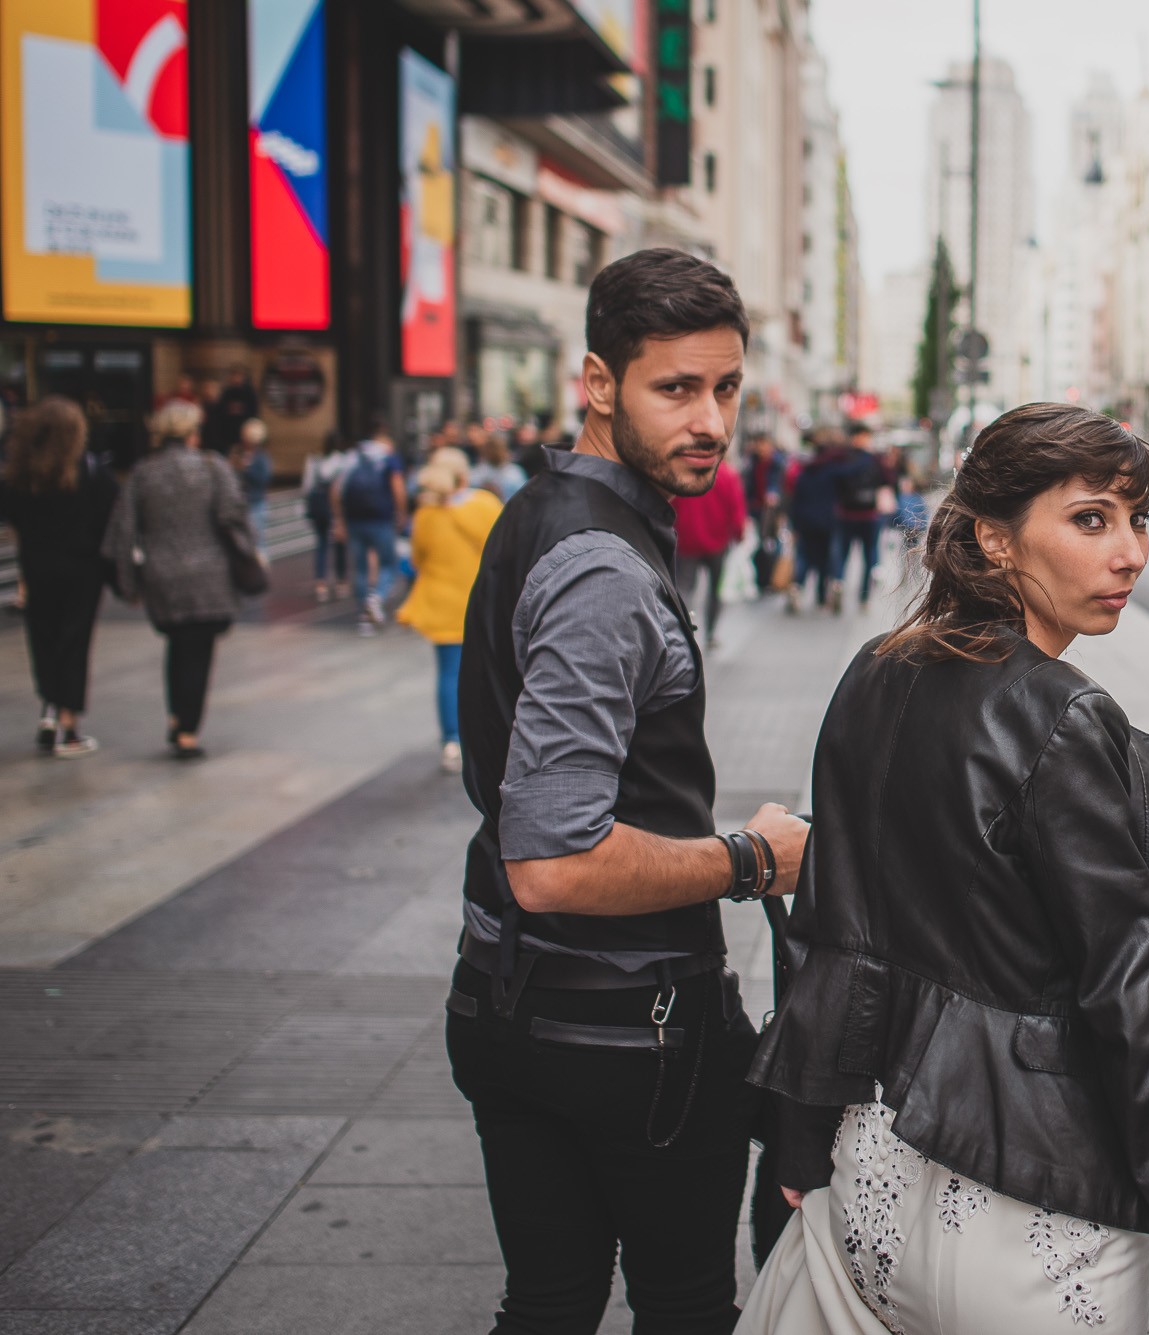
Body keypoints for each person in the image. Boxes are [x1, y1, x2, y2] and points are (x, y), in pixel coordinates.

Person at [740, 403, 1149, 1335]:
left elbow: (832, 929)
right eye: (1090, 519)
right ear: (994, 539)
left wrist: (796, 1133)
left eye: (1137, 518)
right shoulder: (1063, 714)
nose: (1131, 553)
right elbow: (1126, 999)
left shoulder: (878, 666)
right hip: (1029, 1208)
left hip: (866, 1175)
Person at [447, 247, 810, 1334]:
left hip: (510, 1002)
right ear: (599, 383)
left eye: (726, 388)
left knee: (549, 1302)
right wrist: (750, 860)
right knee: (685, 1307)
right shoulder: (603, 565)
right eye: (676, 389)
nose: (709, 420)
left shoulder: (541, 507)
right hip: (622, 1029)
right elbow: (553, 862)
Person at [102, 400, 254, 760]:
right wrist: (246, 555)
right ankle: (187, 728)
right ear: (191, 433)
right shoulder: (213, 467)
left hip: (162, 574)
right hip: (210, 574)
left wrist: (128, 583)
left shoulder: (143, 473)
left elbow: (122, 531)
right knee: (199, 651)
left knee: (178, 645)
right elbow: (233, 517)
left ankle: (176, 716)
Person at [0, 397, 117, 757]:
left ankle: (49, 709)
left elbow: (11, 517)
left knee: (44, 637)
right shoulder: (93, 473)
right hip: (83, 569)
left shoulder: (21, 475)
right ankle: (68, 726)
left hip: (37, 566)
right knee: (74, 641)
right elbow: (110, 518)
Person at [397, 447, 501, 774]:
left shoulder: (425, 516)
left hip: (441, 604)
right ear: (464, 475)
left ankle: (451, 742)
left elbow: (417, 560)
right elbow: (503, 549)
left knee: (448, 673)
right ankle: (487, 736)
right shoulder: (485, 506)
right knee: (487, 673)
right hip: (481, 602)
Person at [332, 416, 408, 634]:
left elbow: (336, 491)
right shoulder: (388, 457)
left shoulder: (352, 457)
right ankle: (377, 598)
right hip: (381, 519)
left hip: (355, 520)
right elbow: (398, 488)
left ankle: (364, 616)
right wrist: (401, 513)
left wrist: (339, 519)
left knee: (361, 568)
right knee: (388, 563)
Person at [670, 451, 746, 649]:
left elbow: (672, 503)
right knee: (716, 590)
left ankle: (683, 633)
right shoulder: (728, 475)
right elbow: (736, 508)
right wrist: (738, 534)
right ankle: (711, 634)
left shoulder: (685, 471)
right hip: (718, 541)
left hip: (687, 538)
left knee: (685, 588)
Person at [829, 422, 892, 613]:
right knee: (869, 553)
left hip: (845, 513)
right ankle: (864, 596)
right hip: (869, 514)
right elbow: (888, 480)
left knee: (842, 553)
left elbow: (834, 482)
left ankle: (839, 583)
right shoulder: (874, 459)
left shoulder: (843, 458)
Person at [786, 428, 846, 613]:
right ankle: (825, 594)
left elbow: (795, 501)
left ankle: (797, 587)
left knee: (804, 556)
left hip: (805, 522)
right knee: (826, 559)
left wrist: (794, 524)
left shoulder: (803, 474)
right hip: (828, 521)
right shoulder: (833, 474)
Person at [302, 429, 353, 603]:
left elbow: (307, 487)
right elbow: (345, 487)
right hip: (335, 508)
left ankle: (320, 583)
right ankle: (341, 581)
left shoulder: (314, 461)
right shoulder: (343, 461)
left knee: (321, 543)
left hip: (318, 508)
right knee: (339, 544)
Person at [742, 430, 788, 593]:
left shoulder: (778, 463)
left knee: (771, 544)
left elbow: (780, 485)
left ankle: (771, 578)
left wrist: (775, 497)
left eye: (764, 444)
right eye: (759, 444)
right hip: (755, 508)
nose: (761, 448)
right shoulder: (751, 462)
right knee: (756, 544)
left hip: (771, 512)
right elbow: (747, 484)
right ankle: (760, 578)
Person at [232, 418, 272, 551]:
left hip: (256, 503)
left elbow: (263, 478)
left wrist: (247, 469)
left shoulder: (261, 457)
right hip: (242, 503)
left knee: (258, 541)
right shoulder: (238, 453)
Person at [468, 430, 528, 502]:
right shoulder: (477, 472)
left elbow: (524, 497)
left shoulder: (515, 473)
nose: (495, 452)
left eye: (498, 448)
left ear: (505, 450)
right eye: (491, 448)